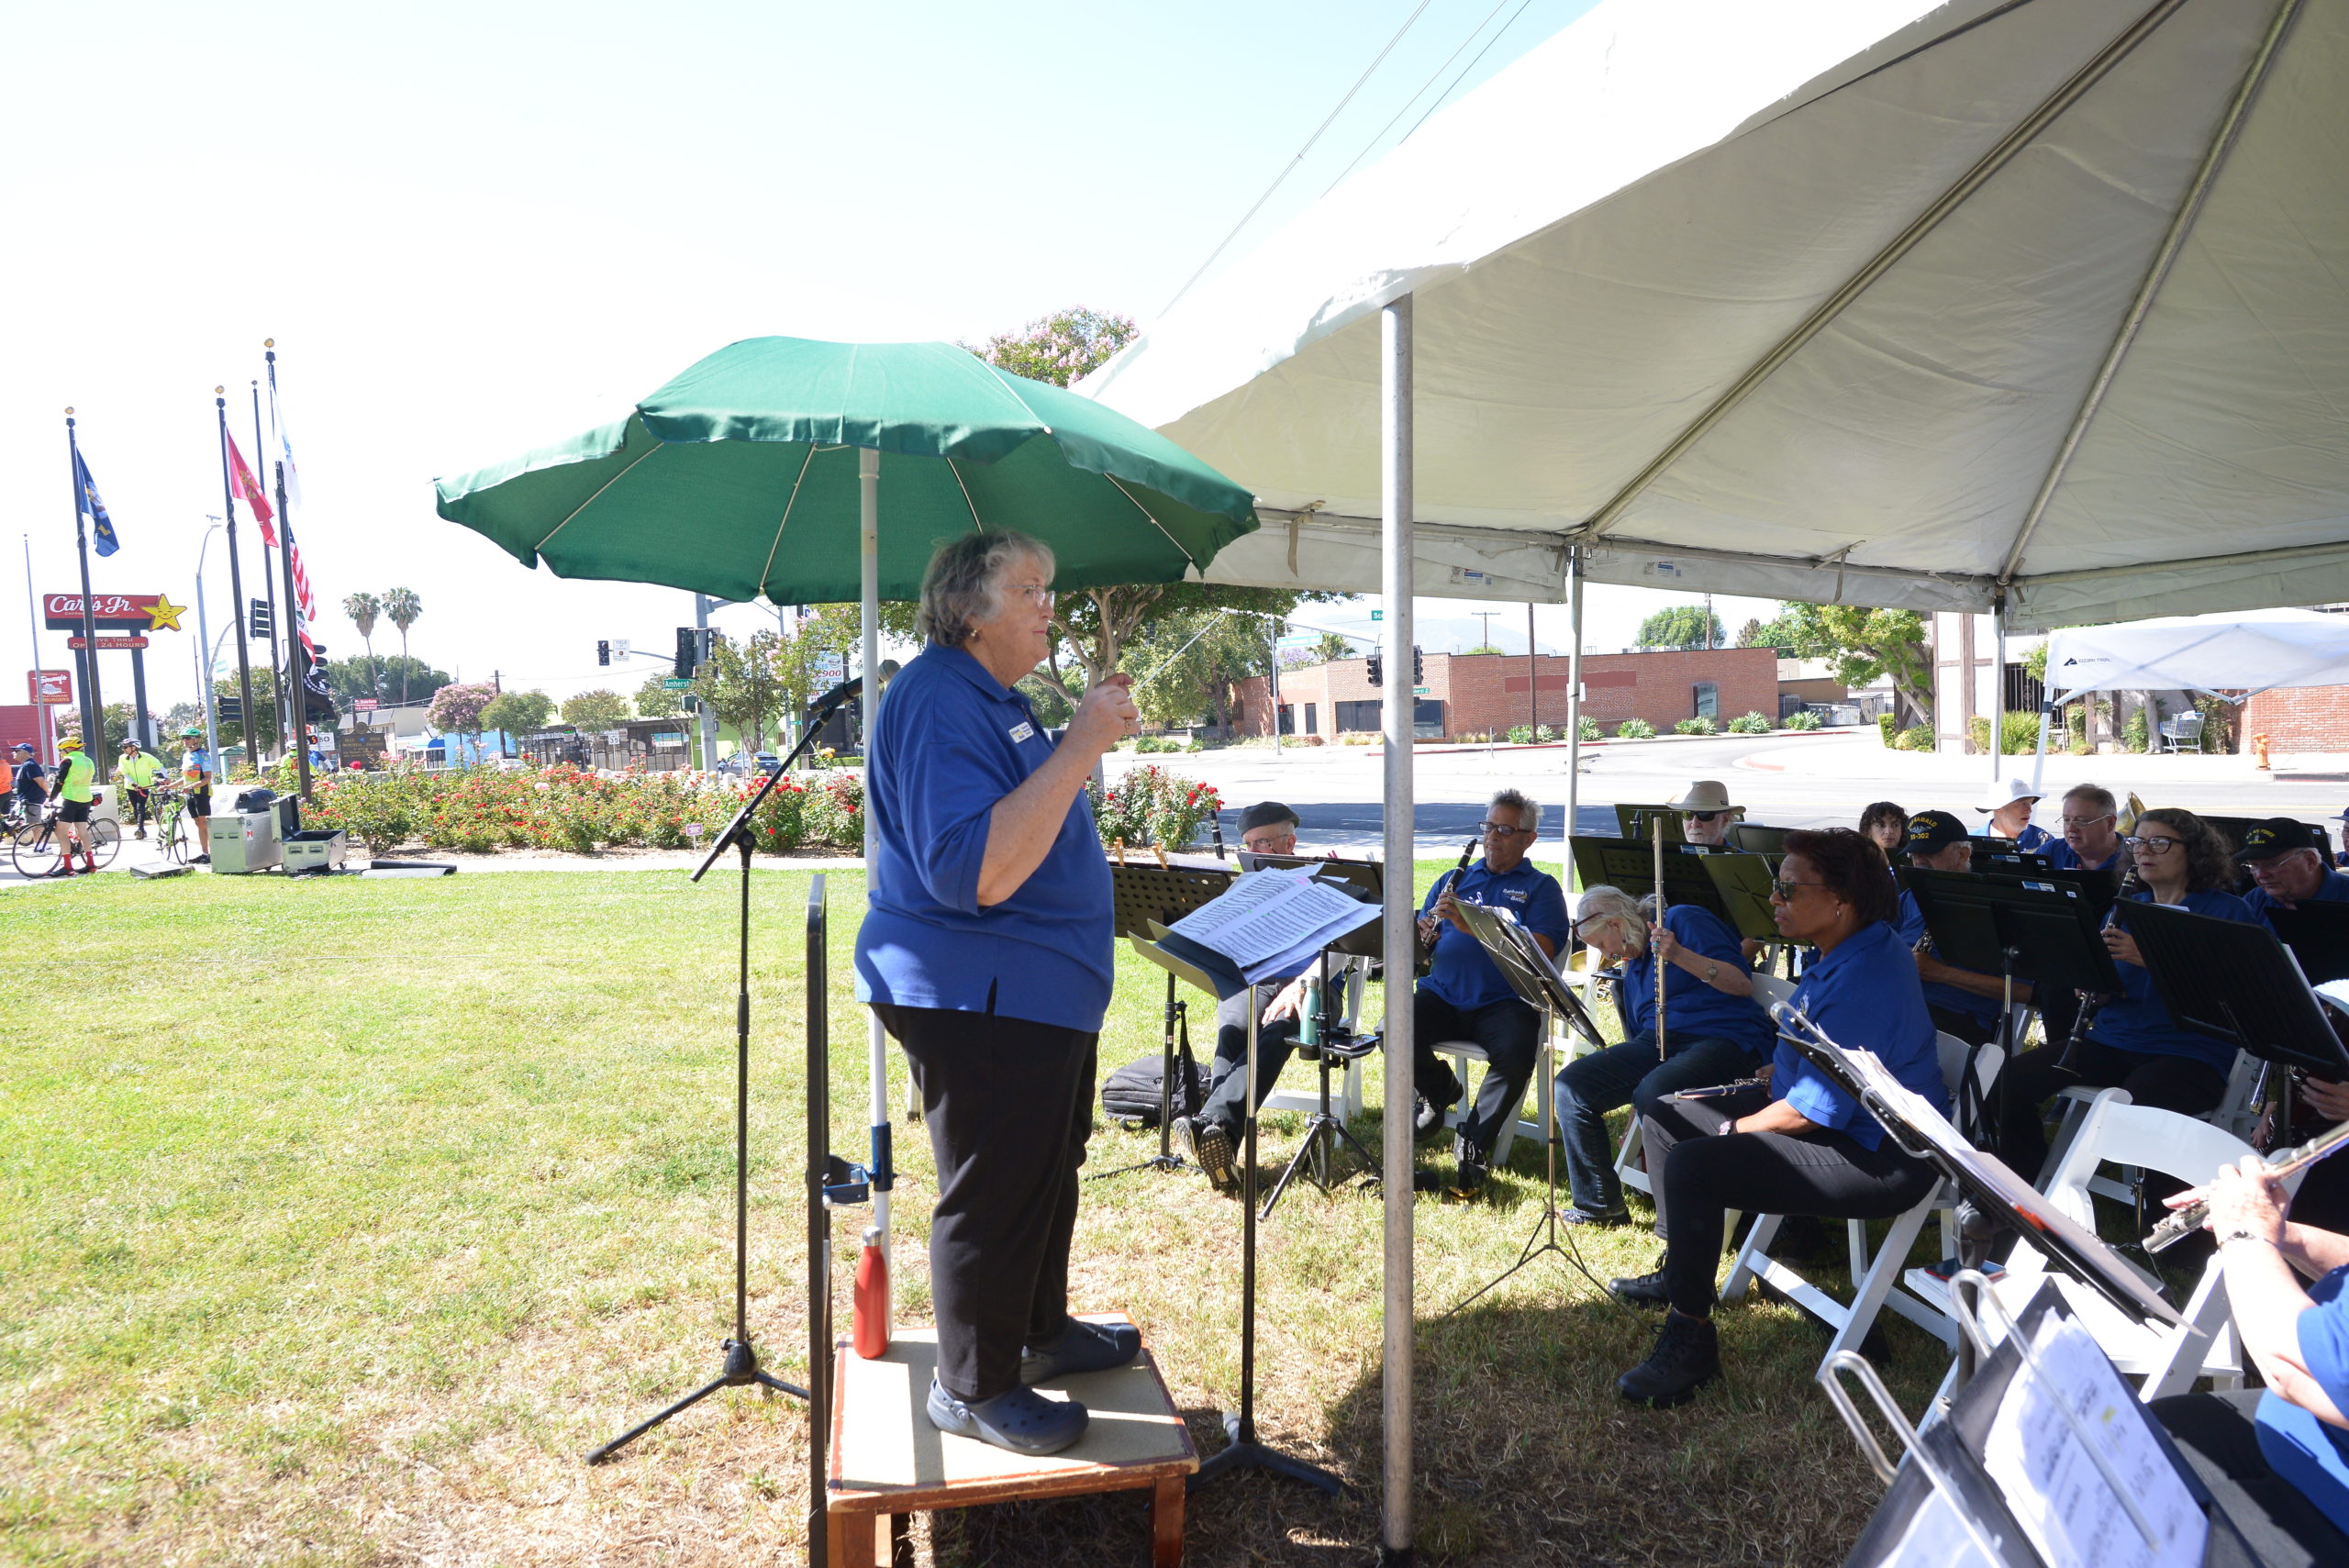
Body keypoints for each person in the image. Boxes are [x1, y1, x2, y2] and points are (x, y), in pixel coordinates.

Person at [853, 528, 1141, 1457]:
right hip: (977, 992)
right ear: (969, 611)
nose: (1048, 605)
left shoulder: (994, 697)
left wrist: (1072, 743)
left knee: (1046, 1167)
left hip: (1035, 992)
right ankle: (972, 1386)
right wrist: (1082, 744)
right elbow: (972, 870)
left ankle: (1039, 1330)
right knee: (995, 1188)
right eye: (1028, 588)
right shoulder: (939, 696)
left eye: (1049, 587)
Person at [1608, 828, 1946, 1407]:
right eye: (1777, 885)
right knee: (1664, 1114)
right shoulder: (1843, 948)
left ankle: (1690, 1337)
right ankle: (1682, 1268)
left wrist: (1733, 1130)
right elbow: (1816, 1060)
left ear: (1842, 900)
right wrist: (1774, 1071)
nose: (1773, 899)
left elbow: (1814, 1113)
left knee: (1694, 1163)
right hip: (1836, 1121)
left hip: (1881, 1155)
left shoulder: (1865, 975)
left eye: (1789, 889)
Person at [1993, 808, 2256, 1178]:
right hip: (2113, 1041)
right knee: (2005, 1082)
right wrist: (2095, 988)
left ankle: (2161, 1205)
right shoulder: (2128, 908)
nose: (2143, 851)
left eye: (2159, 843)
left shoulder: (2228, 912)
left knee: (2141, 1104)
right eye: (2137, 842)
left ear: (2194, 851)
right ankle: (2029, 1185)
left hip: (2190, 1053)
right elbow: (2114, 987)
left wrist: (2150, 958)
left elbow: (2234, 993)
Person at [2146, 1154, 2349, 1558]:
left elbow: (2295, 1365)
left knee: (2164, 1531)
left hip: (2335, 1508)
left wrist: (2244, 1234)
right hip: (2311, 1434)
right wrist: (2277, 1231)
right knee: (2149, 1435)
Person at [1553, 884, 1773, 1225]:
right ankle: (1599, 1205)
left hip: (1725, 1038)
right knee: (1572, 1086)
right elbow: (1642, 1036)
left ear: (1616, 924)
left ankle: (1680, 1225)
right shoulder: (1634, 962)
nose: (1607, 954)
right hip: (1657, 1041)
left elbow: (1741, 983)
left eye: (1602, 945)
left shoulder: (1683, 920)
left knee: (1655, 1092)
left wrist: (1679, 954)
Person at [1410, 789, 1571, 1193]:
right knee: (1392, 1027)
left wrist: (1471, 926)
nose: (1492, 837)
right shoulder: (1454, 879)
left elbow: (1543, 949)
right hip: (1442, 993)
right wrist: (1423, 934)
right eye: (1489, 827)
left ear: (1528, 839)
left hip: (1505, 1001)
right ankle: (1438, 1089)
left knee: (1516, 1053)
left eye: (1505, 830)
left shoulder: (1541, 888)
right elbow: (1421, 943)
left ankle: (1474, 1142)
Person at [1172, 800, 1319, 1194]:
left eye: (1262, 844)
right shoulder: (1246, 884)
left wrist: (1302, 984)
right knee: (1233, 1027)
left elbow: (1341, 950)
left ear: (1289, 843)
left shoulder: (1320, 882)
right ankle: (1220, 1139)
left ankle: (1212, 1124)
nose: (1251, 853)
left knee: (1276, 1029)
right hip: (1257, 980)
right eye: (1248, 845)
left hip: (1310, 986)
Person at [1896, 810, 2032, 1048]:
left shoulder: (1998, 907)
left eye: (1930, 853)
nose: (1920, 861)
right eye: (1915, 854)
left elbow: (2024, 991)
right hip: (1901, 1002)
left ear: (1963, 853)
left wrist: (1939, 973)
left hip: (1955, 1020)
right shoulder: (1910, 897)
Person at [2240, 818, 2349, 922]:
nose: (2260, 875)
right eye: (2254, 866)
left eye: (2271, 865)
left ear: (2310, 861)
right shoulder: (2256, 899)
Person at [2044, 782, 2127, 873]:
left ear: (2110, 823)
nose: (2070, 829)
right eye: (2066, 820)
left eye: (2081, 821)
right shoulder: (2051, 852)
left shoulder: (2135, 859)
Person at [47, 735, 99, 876]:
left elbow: (60, 781)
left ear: (69, 749)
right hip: (85, 798)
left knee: (60, 831)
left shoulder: (68, 761)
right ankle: (91, 864)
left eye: (61, 750)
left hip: (71, 798)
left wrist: (51, 798)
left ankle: (68, 867)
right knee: (82, 831)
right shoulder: (88, 760)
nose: (60, 753)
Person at [1975, 777, 2051, 851]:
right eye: (2021, 804)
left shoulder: (2044, 841)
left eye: (2030, 802)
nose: (2029, 810)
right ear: (1998, 808)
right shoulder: (1972, 843)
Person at [115, 738, 163, 840]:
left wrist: (167, 777)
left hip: (144, 786)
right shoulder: (122, 758)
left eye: (125, 747)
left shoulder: (146, 757)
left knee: (140, 807)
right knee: (135, 808)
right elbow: (125, 772)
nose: (124, 749)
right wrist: (134, 784)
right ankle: (142, 830)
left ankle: (139, 830)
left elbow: (159, 766)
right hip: (130, 787)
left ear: (134, 748)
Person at [1666, 780, 1742, 846]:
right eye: (1688, 814)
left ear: (1724, 820)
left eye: (1704, 815)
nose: (1694, 824)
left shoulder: (1741, 858)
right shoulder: (1668, 856)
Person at [177, 727, 214, 863]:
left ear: (196, 740)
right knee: (198, 823)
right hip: (190, 793)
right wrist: (169, 786)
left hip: (201, 793)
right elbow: (185, 778)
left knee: (204, 823)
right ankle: (205, 853)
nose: (184, 741)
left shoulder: (203, 755)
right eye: (183, 738)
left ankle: (213, 852)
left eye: (187, 738)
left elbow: (207, 778)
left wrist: (191, 787)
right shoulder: (186, 756)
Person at [9, 741, 46, 825]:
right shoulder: (25, 765)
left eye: (16, 751)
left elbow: (40, 780)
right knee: (15, 822)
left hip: (32, 801)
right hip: (25, 801)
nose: (13, 752)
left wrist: (48, 793)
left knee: (34, 825)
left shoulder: (30, 765)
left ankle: (41, 835)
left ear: (26, 752)